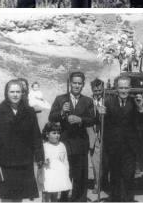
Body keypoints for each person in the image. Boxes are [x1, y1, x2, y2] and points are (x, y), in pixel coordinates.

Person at [49, 72, 96, 202]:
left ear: (83, 85)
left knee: (80, 174)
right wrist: (62, 112)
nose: (76, 86)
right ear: (70, 83)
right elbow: (51, 117)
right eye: (74, 83)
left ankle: (79, 199)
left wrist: (80, 119)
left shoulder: (88, 101)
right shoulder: (60, 99)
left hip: (81, 143)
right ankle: (63, 199)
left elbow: (92, 120)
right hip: (65, 143)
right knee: (65, 173)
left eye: (79, 83)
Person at [0, 79, 44, 202]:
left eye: (18, 92)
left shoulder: (30, 112)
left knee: (19, 199)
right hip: (5, 162)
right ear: (6, 93)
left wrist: (39, 157)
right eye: (12, 92)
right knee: (6, 198)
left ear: (22, 93)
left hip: (24, 162)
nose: (15, 94)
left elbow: (36, 136)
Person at [99, 75, 143, 202]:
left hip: (130, 147)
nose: (124, 91)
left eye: (126, 87)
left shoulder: (135, 102)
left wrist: (141, 108)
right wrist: (101, 114)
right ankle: (115, 199)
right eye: (121, 88)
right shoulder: (108, 102)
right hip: (113, 147)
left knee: (129, 176)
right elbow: (102, 125)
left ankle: (128, 200)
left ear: (130, 88)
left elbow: (141, 124)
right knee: (115, 176)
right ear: (116, 89)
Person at [41, 122, 72, 202]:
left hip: (58, 174)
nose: (57, 135)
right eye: (54, 133)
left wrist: (66, 172)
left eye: (58, 133)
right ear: (47, 134)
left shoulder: (61, 145)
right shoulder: (44, 146)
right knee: (46, 195)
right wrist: (43, 161)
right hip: (47, 173)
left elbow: (65, 161)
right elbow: (39, 160)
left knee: (55, 194)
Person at [88, 78, 107, 194]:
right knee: (95, 161)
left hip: (106, 134)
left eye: (100, 90)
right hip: (93, 134)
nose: (98, 93)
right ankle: (97, 184)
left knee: (106, 161)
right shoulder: (88, 101)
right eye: (95, 91)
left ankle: (105, 182)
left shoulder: (108, 100)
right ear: (92, 90)